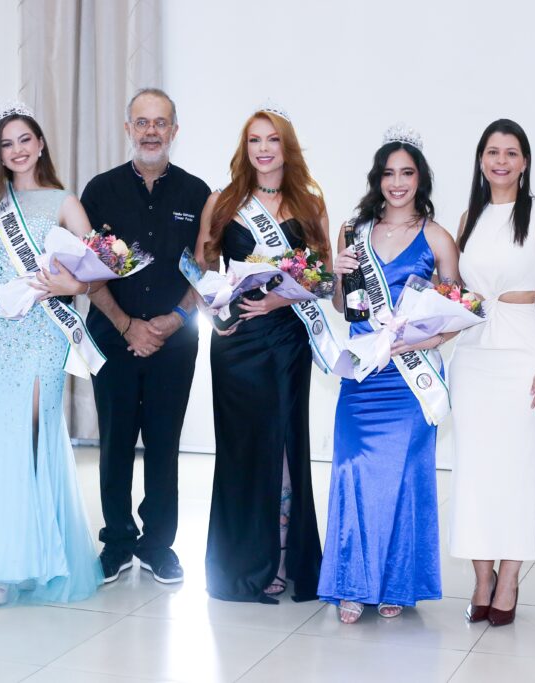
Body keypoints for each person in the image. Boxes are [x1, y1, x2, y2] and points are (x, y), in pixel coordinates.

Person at [0, 103, 103, 605]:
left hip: (42, 332)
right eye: (7, 143)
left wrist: (68, 283)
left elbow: (97, 270)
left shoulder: (65, 201)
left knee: (34, 440)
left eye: (25, 139)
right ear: (0, 152)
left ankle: (34, 557)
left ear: (40, 143)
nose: (17, 149)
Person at [320, 126, 460, 623]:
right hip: (364, 372)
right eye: (388, 173)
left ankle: (396, 580)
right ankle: (351, 582)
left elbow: (455, 315)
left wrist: (417, 341)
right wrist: (336, 276)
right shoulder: (352, 231)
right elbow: (343, 307)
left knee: (403, 477)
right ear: (377, 179)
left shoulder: (438, 237)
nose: (396, 182)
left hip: (410, 376)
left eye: (406, 172)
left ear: (420, 178)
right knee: (352, 471)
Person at [196, 104, 326, 603]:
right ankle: (245, 563)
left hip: (287, 340)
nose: (264, 149)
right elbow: (201, 264)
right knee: (242, 451)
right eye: (254, 140)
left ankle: (283, 555)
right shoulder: (224, 201)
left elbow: (322, 276)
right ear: (244, 148)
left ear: (286, 146)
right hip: (237, 345)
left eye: (272, 139)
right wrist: (217, 313)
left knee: (286, 447)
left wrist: (279, 297)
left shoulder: (309, 203)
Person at [81, 88, 210, 584]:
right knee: (113, 442)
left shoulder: (197, 193)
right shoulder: (100, 190)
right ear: (128, 128)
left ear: (174, 132)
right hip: (113, 336)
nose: (151, 131)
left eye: (161, 123)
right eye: (142, 122)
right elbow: (86, 269)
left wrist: (174, 321)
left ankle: (157, 544)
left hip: (174, 340)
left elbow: (205, 267)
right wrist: (127, 325)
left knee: (163, 443)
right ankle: (116, 542)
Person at [448, 119, 535, 626]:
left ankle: (512, 575)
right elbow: (453, 295)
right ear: (481, 160)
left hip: (526, 353)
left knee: (520, 469)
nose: (501, 160)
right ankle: (481, 577)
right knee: (475, 470)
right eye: (492, 151)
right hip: (474, 356)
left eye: (511, 152)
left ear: (524, 162)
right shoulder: (467, 218)